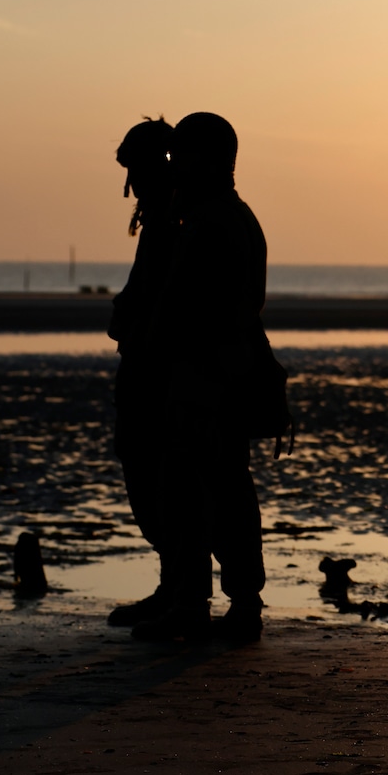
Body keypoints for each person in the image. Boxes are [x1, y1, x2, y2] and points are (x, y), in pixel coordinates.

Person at [132, 112, 270, 643]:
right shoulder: (223, 216)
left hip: (206, 380)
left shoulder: (214, 221)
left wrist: (160, 347)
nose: (175, 167)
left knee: (199, 493)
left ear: (210, 160)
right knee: (216, 491)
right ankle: (228, 606)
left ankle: (203, 607)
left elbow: (197, 308)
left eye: (182, 156)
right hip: (212, 375)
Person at [106, 117, 178, 627]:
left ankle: (178, 592)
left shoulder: (176, 219)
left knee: (159, 478)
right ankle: (174, 587)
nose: (135, 177)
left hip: (160, 371)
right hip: (148, 363)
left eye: (139, 166)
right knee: (150, 474)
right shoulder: (164, 216)